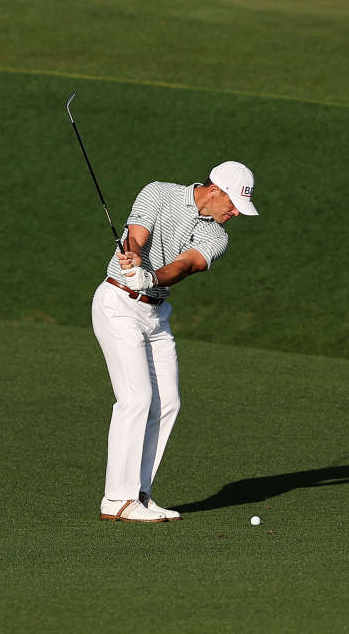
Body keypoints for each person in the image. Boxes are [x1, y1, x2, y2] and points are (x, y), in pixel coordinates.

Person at [91, 159, 257, 523]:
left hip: (155, 313)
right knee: (136, 399)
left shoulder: (218, 235)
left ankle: (137, 493)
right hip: (118, 304)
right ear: (214, 190)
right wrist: (134, 257)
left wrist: (149, 277)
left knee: (168, 403)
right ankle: (116, 499)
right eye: (232, 205)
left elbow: (185, 265)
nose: (235, 214)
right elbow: (136, 234)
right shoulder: (158, 192)